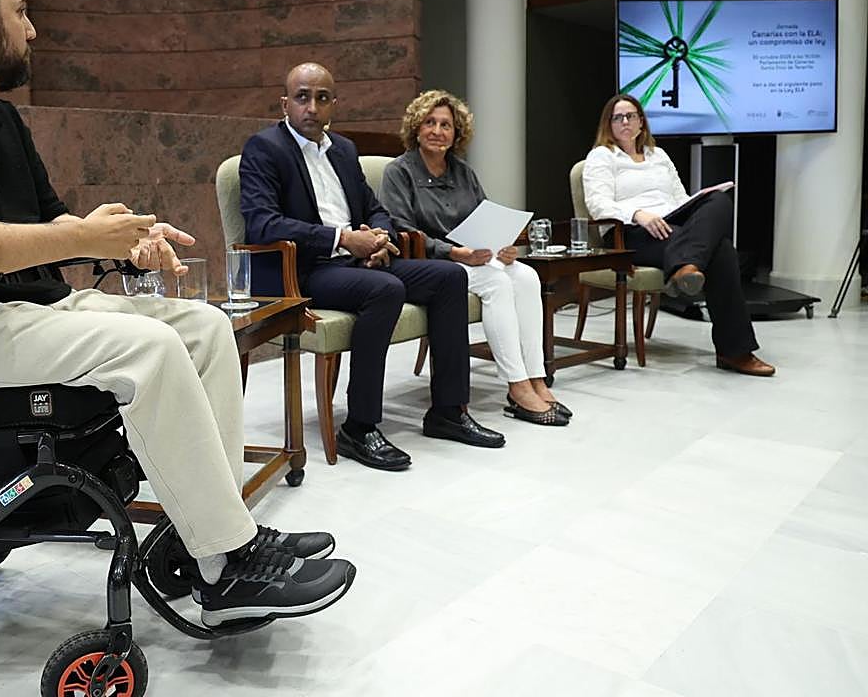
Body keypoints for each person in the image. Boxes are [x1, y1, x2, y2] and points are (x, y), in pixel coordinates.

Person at [0, 0, 355, 628]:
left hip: (8, 310)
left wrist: (125, 239)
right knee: (148, 349)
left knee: (205, 328)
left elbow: (52, 227)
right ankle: (227, 561)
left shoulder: (1, 121)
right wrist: (81, 237)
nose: (32, 29)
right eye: (20, 12)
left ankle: (211, 540)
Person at [239, 63, 506, 471]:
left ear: (334, 104)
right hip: (301, 271)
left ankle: (448, 412)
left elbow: (375, 208)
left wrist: (380, 239)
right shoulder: (264, 148)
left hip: (355, 263)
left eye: (322, 98)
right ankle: (359, 427)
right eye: (302, 97)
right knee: (385, 289)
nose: (312, 107)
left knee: (450, 277)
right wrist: (343, 239)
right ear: (285, 103)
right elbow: (262, 224)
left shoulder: (344, 151)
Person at [379, 90, 571, 425]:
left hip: (473, 258)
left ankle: (536, 379)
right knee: (497, 282)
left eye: (446, 125)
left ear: (457, 133)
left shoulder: (464, 172)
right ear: (416, 128)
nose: (438, 131)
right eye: (430, 123)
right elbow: (400, 229)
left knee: (527, 276)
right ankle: (517, 387)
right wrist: (453, 252)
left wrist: (502, 245)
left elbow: (486, 216)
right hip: (432, 264)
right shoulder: (399, 171)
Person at [582, 93, 774, 377]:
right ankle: (734, 352)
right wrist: (638, 214)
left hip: (671, 225)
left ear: (641, 123)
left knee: (719, 200)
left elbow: (680, 198)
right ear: (608, 125)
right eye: (617, 117)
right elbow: (598, 205)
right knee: (722, 252)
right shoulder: (601, 156)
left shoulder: (659, 156)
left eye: (630, 116)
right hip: (628, 233)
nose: (624, 122)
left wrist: (691, 209)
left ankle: (685, 265)